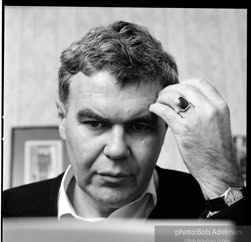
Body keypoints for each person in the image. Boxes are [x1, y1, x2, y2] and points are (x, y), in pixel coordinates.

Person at [3, 21, 246, 224]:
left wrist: (222, 184)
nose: (117, 150)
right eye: (95, 124)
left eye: (139, 126)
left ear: (165, 126)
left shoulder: (208, 204)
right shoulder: (8, 214)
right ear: (62, 119)